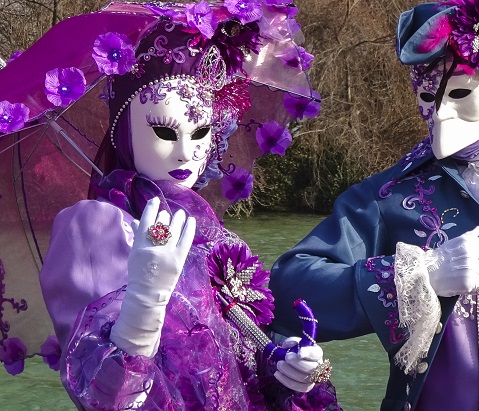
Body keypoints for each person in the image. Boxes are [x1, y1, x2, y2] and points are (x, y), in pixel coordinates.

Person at [0, 1, 340, 410]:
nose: (186, 153)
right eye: (164, 130)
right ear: (124, 129)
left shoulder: (207, 228)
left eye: (200, 133)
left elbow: (229, 363)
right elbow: (102, 394)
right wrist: (143, 303)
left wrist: (283, 365)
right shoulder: (95, 227)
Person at [269, 0, 479, 409]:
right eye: (428, 96)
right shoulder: (392, 194)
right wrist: (420, 275)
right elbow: (286, 287)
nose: (441, 114)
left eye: (459, 92)